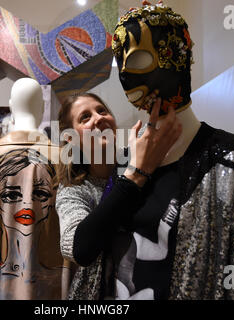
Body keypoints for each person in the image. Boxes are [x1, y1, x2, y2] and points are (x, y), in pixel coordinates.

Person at [56, 1, 234, 300]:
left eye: (136, 60)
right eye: (120, 65)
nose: (125, 76)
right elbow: (83, 246)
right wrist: (135, 172)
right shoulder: (118, 168)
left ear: (175, 57)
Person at [55, 92, 182, 300]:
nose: (99, 118)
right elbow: (80, 249)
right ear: (71, 139)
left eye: (102, 110)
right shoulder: (74, 190)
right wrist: (135, 175)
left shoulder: (142, 159)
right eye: (85, 117)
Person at [0, 78, 69, 300]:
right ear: (43, 107)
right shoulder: (65, 160)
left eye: (41, 194)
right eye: (11, 195)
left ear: (10, 106)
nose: (27, 203)